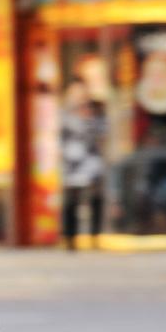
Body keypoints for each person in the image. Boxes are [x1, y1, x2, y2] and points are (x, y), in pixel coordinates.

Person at [60, 77, 107, 250]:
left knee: (95, 198)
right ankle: (70, 238)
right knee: (72, 201)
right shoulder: (64, 113)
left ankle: (95, 236)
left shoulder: (95, 111)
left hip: (91, 161)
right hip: (71, 161)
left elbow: (102, 132)